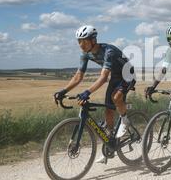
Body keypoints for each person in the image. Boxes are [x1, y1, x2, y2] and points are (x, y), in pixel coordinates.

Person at [53, 25, 136, 162]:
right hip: (116, 76)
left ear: (93, 40)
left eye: (84, 41)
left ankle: (125, 120)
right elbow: (78, 76)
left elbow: (103, 78)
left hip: (128, 74)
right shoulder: (85, 54)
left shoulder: (108, 51)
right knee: (108, 111)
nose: (81, 45)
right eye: (79, 41)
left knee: (116, 97)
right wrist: (63, 91)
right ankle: (110, 143)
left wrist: (87, 92)